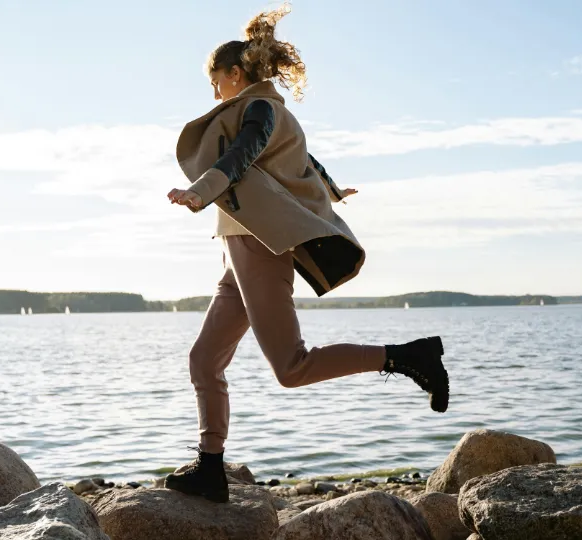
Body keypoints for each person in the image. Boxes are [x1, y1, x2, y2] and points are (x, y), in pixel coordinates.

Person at [164, 4, 448, 503]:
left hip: (260, 247)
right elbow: (299, 161)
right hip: (238, 251)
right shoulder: (264, 108)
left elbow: (244, 153)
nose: (213, 93)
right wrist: (333, 188)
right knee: (205, 359)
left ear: (235, 73)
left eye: (216, 82)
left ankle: (408, 357)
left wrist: (201, 190)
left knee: (291, 367)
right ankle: (210, 468)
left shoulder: (261, 109)